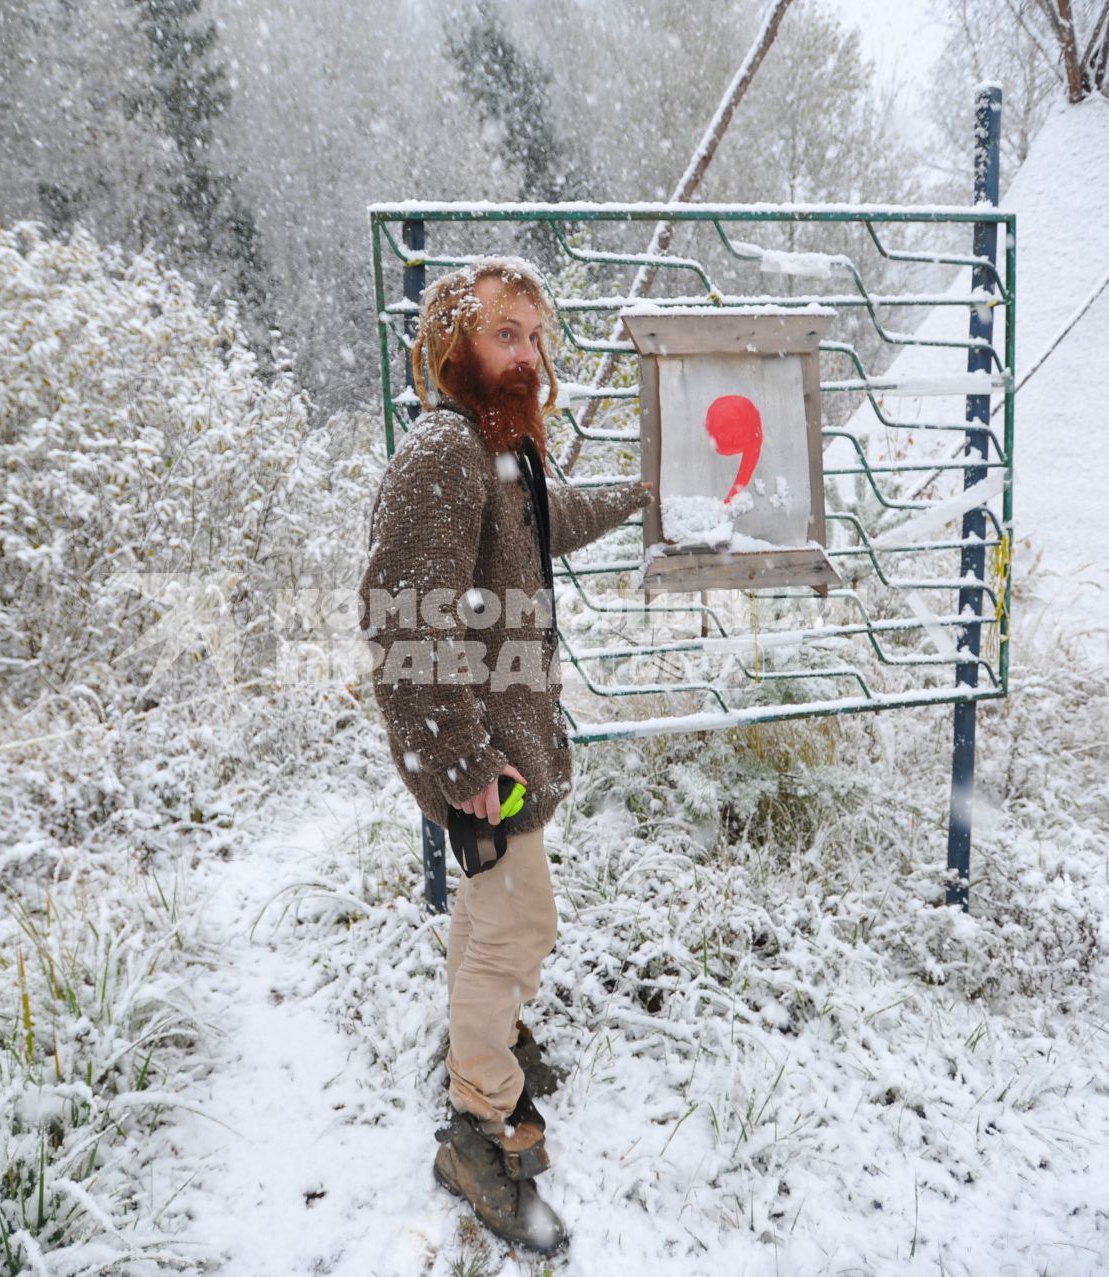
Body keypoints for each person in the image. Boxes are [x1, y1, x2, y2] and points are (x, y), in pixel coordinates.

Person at [358, 257, 652, 1252]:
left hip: (503, 743)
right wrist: (462, 766)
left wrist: (632, 498)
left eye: (535, 337)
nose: (528, 355)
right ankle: (479, 1124)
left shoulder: (501, 451)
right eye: (505, 335)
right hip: (478, 754)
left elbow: (542, 525)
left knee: (489, 915)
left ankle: (483, 1035)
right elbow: (403, 621)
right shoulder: (444, 452)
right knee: (518, 925)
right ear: (456, 346)